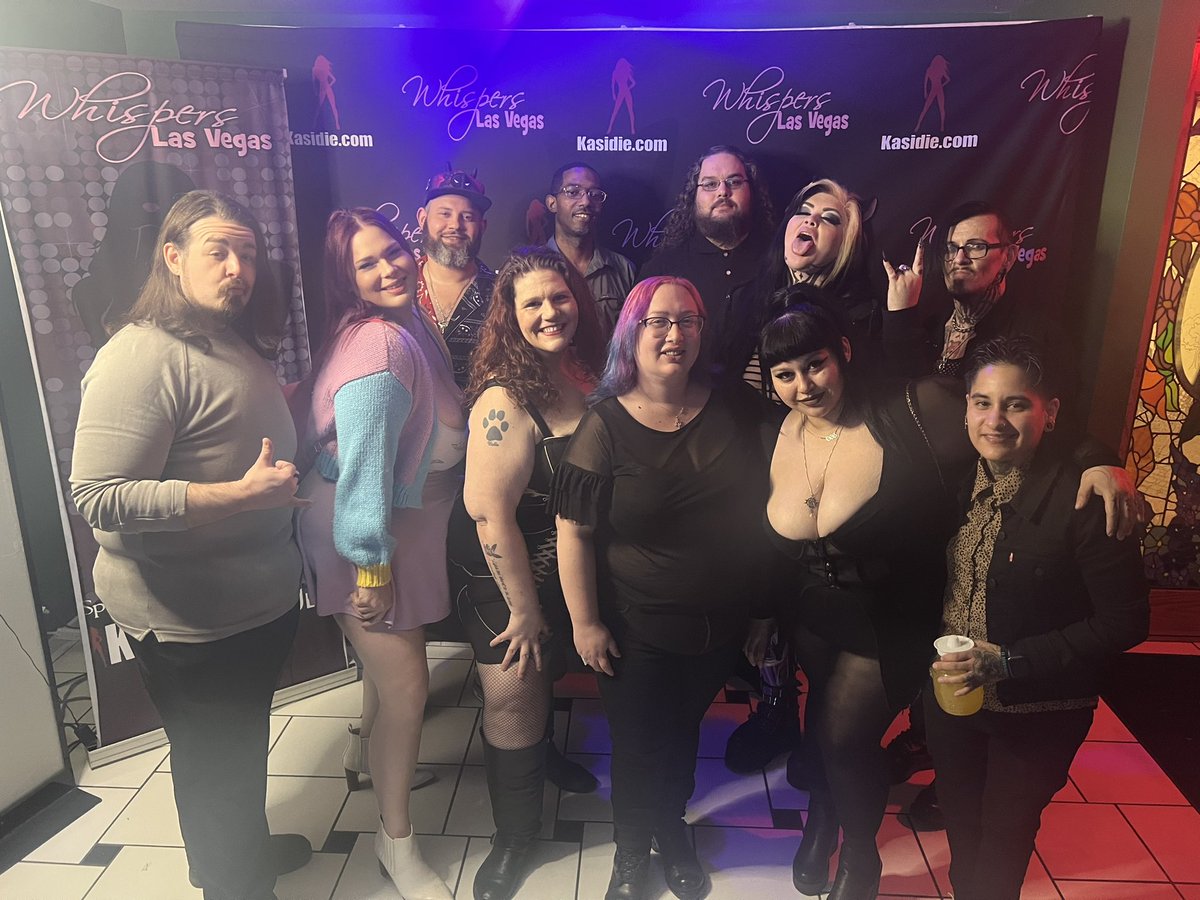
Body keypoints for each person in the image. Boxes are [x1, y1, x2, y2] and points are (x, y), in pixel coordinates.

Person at [756, 291, 1138, 900]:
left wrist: (1101, 459)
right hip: (817, 614)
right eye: (785, 374)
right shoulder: (770, 428)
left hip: (892, 622)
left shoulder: (913, 408)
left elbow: (1017, 419)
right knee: (822, 730)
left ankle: (860, 858)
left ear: (843, 353)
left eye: (816, 365)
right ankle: (824, 818)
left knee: (845, 739)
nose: (803, 385)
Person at [70, 190, 312, 900]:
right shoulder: (140, 354)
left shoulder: (226, 338)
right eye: (219, 251)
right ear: (172, 257)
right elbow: (99, 497)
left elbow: (218, 427)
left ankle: (237, 854)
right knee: (216, 765)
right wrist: (239, 496)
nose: (238, 268)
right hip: (191, 625)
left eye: (248, 254)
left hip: (248, 609)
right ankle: (234, 883)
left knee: (233, 755)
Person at [553, 276, 769, 900]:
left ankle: (671, 830)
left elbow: (761, 518)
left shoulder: (734, 408)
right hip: (633, 626)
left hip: (717, 624)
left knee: (682, 733)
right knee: (637, 745)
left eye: (688, 320)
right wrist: (585, 623)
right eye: (659, 321)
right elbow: (573, 534)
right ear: (632, 332)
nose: (675, 334)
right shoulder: (604, 425)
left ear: (703, 331)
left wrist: (761, 612)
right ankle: (629, 854)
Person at [927, 336, 1148, 900]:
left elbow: (1126, 621)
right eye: (982, 403)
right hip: (953, 701)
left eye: (1016, 404)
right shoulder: (954, 479)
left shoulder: (1087, 498)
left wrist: (1009, 661)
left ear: (1050, 412)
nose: (994, 420)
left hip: (1040, 711)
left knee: (1004, 840)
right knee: (962, 827)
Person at [719, 177, 922, 777]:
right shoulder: (753, 294)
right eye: (803, 211)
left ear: (849, 240)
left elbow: (897, 401)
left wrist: (902, 319)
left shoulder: (862, 312)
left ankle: (823, 735)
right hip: (753, 456)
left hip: (832, 468)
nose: (809, 222)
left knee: (813, 606)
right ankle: (776, 708)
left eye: (829, 217)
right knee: (764, 600)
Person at [296, 208, 463, 900]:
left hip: (393, 523)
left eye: (392, 252)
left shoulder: (405, 324)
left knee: (383, 671)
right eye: (367, 263)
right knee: (406, 689)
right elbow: (364, 466)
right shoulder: (381, 346)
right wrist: (371, 565)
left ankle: (366, 759)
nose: (389, 267)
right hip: (362, 531)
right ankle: (395, 842)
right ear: (347, 279)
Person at [448, 248, 606, 900]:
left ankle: (542, 756)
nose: (549, 312)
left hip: (572, 557)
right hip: (501, 569)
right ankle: (513, 839)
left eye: (559, 297)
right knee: (514, 690)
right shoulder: (503, 397)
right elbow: (489, 515)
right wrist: (524, 610)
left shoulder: (587, 370)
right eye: (532, 303)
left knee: (549, 675)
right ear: (509, 316)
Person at [640, 145, 774, 364]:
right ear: (694, 196)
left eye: (734, 182)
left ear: (753, 191)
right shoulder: (662, 270)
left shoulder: (781, 261)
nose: (723, 192)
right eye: (710, 184)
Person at [416, 167, 496, 387]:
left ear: (482, 226)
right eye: (445, 214)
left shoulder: (503, 295)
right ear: (422, 218)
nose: (455, 225)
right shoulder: (397, 287)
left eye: (467, 217)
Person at [544, 162, 636, 336]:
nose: (586, 201)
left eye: (594, 194)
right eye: (573, 192)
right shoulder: (530, 268)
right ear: (552, 203)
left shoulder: (623, 270)